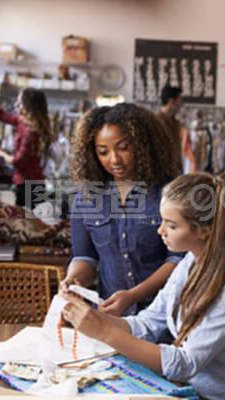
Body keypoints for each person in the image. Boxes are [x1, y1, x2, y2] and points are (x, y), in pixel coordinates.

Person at [62, 173, 225, 400]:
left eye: (171, 225)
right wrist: (93, 319)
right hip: (194, 391)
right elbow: (147, 324)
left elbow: (186, 362)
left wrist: (105, 331)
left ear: (204, 230)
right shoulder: (190, 263)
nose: (160, 230)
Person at [63, 103, 182, 316]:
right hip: (109, 317)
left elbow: (178, 260)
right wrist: (75, 279)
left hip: (163, 315)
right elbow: (85, 257)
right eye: (103, 152)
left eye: (123, 147)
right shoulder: (87, 197)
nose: (114, 159)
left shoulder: (170, 192)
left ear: (143, 145)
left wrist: (133, 296)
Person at [0, 88, 52, 209]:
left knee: (30, 223)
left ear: (28, 106)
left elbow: (18, 162)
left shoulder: (30, 132)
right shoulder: (22, 122)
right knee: (27, 222)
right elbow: (0, 114)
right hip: (29, 184)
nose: (15, 105)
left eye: (19, 103)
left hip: (30, 188)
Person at [156, 85, 184, 176]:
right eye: (180, 101)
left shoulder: (176, 123)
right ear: (171, 101)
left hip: (174, 172)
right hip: (159, 173)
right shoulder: (155, 121)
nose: (181, 104)